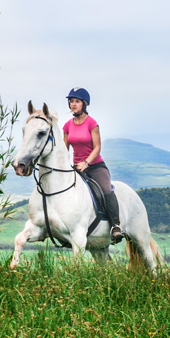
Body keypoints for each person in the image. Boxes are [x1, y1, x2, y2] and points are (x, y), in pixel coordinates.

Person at [62, 87, 124, 244]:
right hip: (76, 167)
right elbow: (64, 150)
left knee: (106, 190)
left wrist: (86, 163)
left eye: (77, 101)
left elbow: (97, 148)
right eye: (71, 101)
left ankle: (115, 225)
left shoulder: (92, 123)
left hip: (95, 165)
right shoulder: (67, 126)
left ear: (84, 104)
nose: (73, 104)